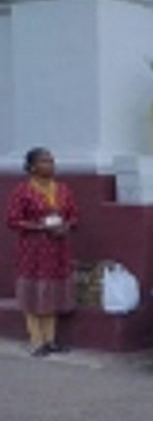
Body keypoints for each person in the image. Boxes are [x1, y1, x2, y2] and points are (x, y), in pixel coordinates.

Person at [5, 147, 80, 356]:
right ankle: (36, 340)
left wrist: (66, 226)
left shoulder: (63, 189)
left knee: (52, 291)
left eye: (51, 161)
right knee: (33, 291)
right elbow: (12, 220)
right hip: (33, 249)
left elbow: (74, 215)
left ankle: (51, 339)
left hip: (57, 248)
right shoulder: (22, 191)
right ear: (31, 166)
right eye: (44, 161)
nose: (50, 165)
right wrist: (40, 227)